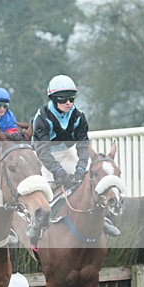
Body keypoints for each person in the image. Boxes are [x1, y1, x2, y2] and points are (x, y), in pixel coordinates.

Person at [31, 74, 119, 236]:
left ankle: (103, 219)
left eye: (72, 98)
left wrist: (80, 168)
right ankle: (37, 225)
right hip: (44, 158)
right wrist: (60, 173)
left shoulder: (79, 117)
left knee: (86, 183)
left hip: (67, 154)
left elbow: (83, 146)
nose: (68, 103)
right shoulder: (42, 118)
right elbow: (43, 152)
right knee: (46, 190)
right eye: (63, 99)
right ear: (53, 98)